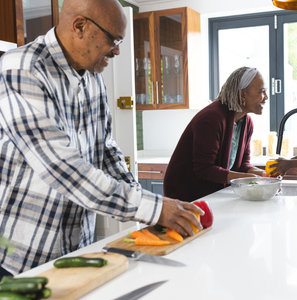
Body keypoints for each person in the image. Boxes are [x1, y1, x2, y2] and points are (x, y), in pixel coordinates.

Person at [0, 0, 202, 277]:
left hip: (77, 249)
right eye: (113, 39)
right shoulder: (22, 69)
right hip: (20, 256)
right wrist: (150, 208)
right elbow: (62, 169)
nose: (118, 50)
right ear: (80, 26)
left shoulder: (93, 77)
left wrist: (140, 201)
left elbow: (106, 151)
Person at [164, 67, 268, 202]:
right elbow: (204, 169)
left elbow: (243, 165)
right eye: (262, 91)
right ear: (243, 94)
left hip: (210, 195)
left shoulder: (246, 122)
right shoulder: (211, 118)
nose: (266, 97)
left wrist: (263, 174)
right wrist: (246, 179)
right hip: (185, 197)